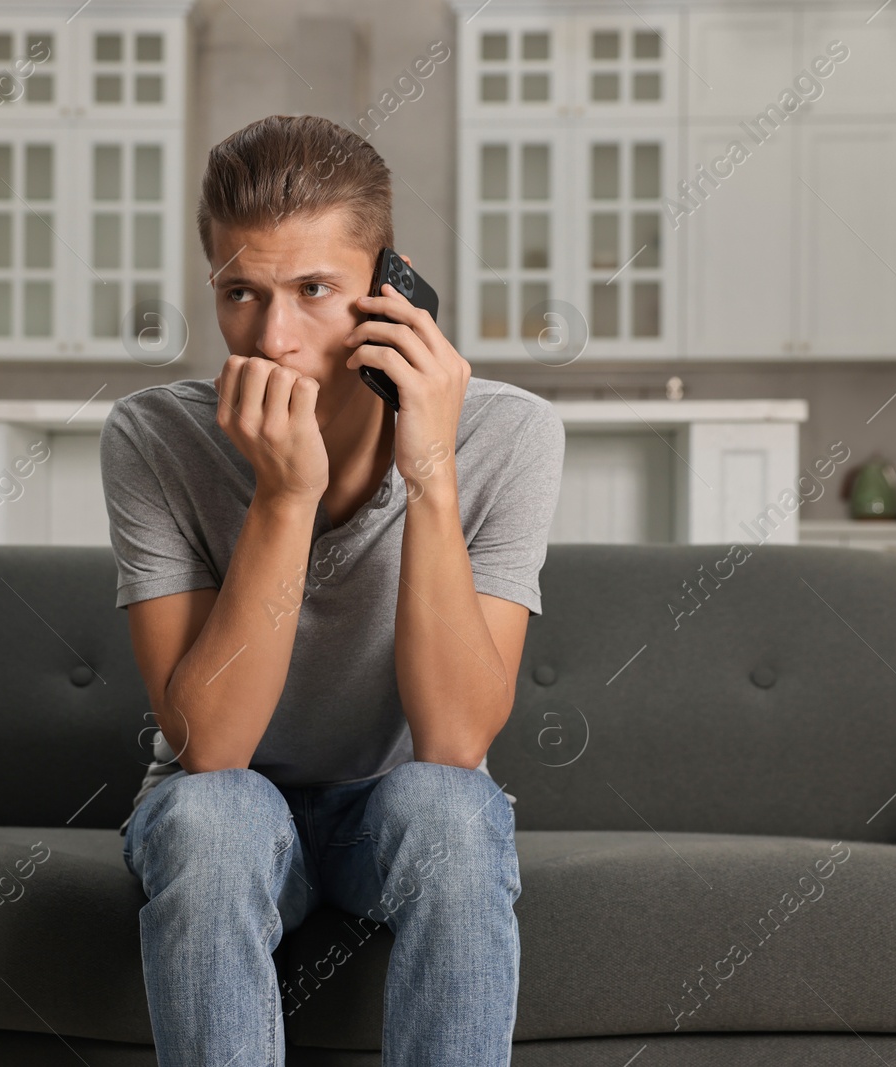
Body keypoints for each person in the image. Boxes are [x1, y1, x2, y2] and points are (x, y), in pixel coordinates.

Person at [102, 113, 565, 1066]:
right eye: (241, 292)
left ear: (390, 289)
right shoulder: (154, 438)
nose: (273, 337)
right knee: (212, 819)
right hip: (229, 806)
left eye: (315, 289)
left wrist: (430, 468)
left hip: (392, 808)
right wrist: (285, 496)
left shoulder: (510, 435)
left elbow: (456, 743)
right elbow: (211, 750)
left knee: (453, 809)